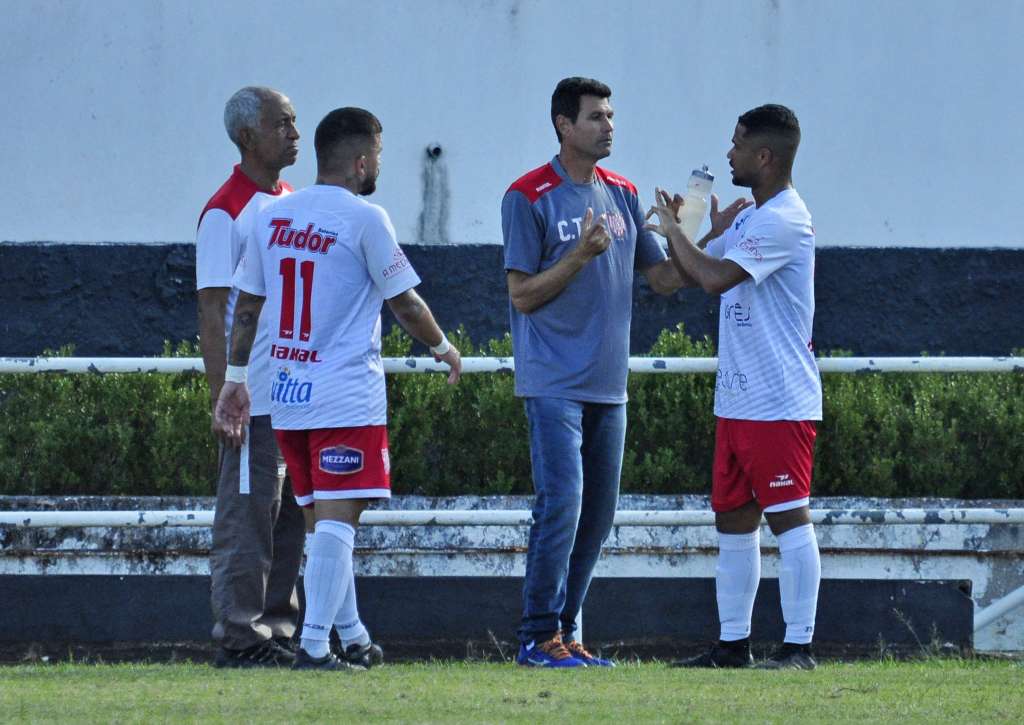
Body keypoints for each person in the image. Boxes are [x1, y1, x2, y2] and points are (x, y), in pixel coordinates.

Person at [215, 106, 462, 671]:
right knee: (337, 523)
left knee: (320, 523)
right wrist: (443, 348)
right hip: (345, 395)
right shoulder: (366, 218)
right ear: (360, 160)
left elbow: (247, 304)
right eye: (376, 154)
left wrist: (234, 378)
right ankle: (314, 646)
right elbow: (404, 301)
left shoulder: (272, 216)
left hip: (287, 397)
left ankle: (351, 635)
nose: (379, 164)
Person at [501, 77, 701, 668]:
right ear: (564, 125)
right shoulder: (527, 196)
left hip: (608, 386)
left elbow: (663, 281)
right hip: (552, 382)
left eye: (611, 115)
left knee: (599, 515)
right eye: (596, 117)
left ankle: (565, 633)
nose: (608, 125)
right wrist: (579, 255)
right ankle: (537, 638)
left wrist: (691, 236)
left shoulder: (623, 192)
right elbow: (522, 297)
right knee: (561, 504)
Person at [647, 104, 822, 670]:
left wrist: (676, 230)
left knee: (788, 516)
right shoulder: (750, 219)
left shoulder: (784, 219)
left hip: (779, 400)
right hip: (740, 400)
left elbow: (717, 279)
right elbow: (678, 278)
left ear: (763, 156)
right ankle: (732, 646)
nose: (728, 154)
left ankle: (799, 647)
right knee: (733, 519)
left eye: (737, 145)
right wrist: (695, 232)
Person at [196, 86, 305, 668]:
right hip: (252, 399)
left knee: (288, 520)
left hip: (292, 396)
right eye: (282, 124)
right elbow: (213, 309)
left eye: (295, 123)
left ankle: (279, 630)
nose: (294, 134)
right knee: (247, 519)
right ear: (247, 136)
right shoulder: (225, 211)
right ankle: (241, 637)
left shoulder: (289, 202)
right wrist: (224, 397)